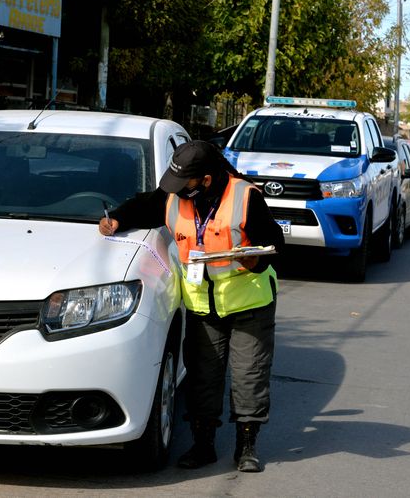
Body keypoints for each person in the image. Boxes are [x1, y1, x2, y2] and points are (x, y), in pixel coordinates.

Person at [99, 140, 284, 473]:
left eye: (186, 185)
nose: (177, 191)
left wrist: (254, 258)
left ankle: (246, 445)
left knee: (248, 377)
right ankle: (203, 445)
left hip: (250, 304)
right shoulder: (174, 197)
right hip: (203, 306)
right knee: (202, 377)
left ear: (207, 180)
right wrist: (116, 219)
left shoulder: (245, 198)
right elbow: (144, 206)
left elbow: (275, 243)